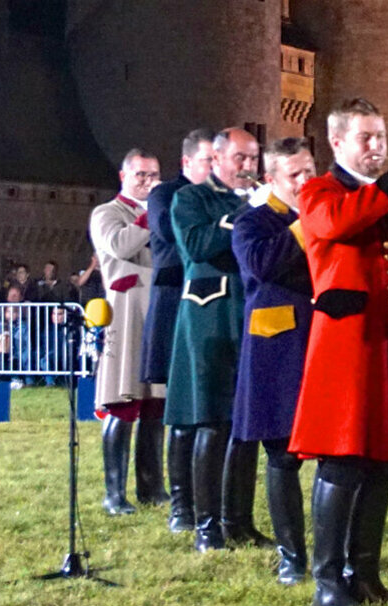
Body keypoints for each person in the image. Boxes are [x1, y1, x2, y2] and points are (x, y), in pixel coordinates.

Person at [291, 98, 388, 606]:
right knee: (343, 462)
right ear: (337, 142)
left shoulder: (380, 199)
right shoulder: (321, 190)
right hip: (348, 351)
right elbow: (336, 225)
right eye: (367, 138)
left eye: (381, 136)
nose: (378, 146)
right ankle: (327, 581)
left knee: (384, 463)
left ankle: (366, 574)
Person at [167, 126, 267, 552]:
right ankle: (205, 524)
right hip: (209, 320)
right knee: (211, 420)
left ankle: (239, 522)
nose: (247, 167)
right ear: (218, 159)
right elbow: (197, 245)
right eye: (240, 158)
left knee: (245, 425)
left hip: (253, 316)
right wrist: (244, 214)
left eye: (253, 159)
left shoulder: (258, 200)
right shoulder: (191, 198)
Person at [232, 136, 319, 584]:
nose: (306, 181)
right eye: (295, 175)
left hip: (323, 344)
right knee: (282, 456)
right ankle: (291, 556)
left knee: (335, 458)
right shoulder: (252, 222)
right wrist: (308, 224)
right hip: (277, 352)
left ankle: (328, 554)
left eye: (310, 171)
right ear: (271, 179)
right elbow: (262, 263)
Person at [142, 128, 215, 533]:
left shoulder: (222, 198)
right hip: (177, 305)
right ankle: (180, 504)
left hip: (213, 308)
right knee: (183, 410)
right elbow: (176, 241)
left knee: (214, 413)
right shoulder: (166, 194)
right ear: (187, 163)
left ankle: (213, 502)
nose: (215, 168)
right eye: (208, 160)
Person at [90, 148, 167, 517]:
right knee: (123, 403)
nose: (149, 182)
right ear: (124, 177)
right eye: (141, 175)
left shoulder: (159, 213)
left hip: (157, 312)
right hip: (125, 314)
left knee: (155, 404)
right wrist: (153, 213)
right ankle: (114, 493)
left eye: (154, 176)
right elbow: (120, 245)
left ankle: (152, 487)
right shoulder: (107, 213)